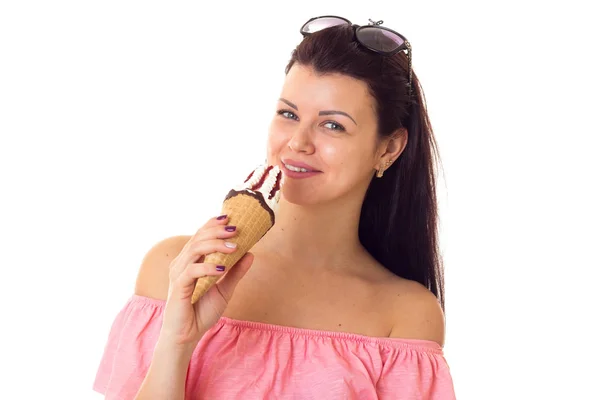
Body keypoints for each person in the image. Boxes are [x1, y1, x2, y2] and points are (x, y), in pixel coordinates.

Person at [93, 15, 456, 399]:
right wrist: (177, 342)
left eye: (333, 125)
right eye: (289, 114)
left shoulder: (404, 315)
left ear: (388, 148)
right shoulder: (179, 269)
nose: (298, 142)